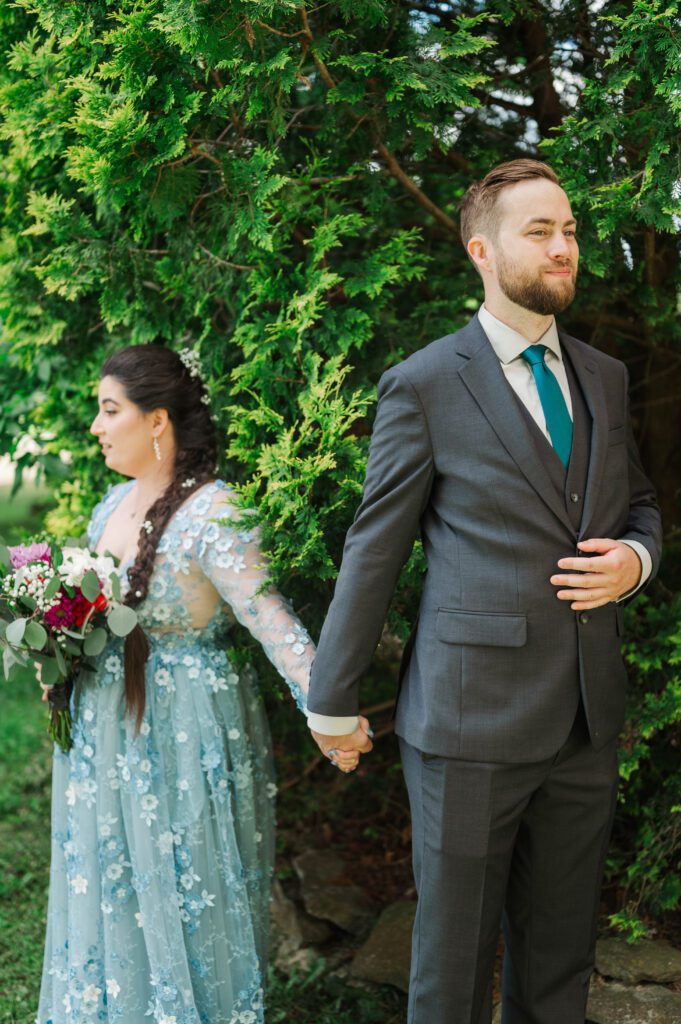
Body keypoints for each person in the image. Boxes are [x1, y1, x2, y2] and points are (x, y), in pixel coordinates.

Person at [305, 159, 663, 1024]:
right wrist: (330, 699)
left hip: (584, 720)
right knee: (452, 972)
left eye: (569, 230)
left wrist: (635, 561)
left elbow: (640, 503)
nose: (563, 247)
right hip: (468, 727)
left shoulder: (603, 379)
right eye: (538, 232)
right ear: (481, 249)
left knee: (558, 966)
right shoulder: (425, 384)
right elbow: (375, 548)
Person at [37, 345, 360, 1024]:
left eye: (109, 410)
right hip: (102, 733)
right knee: (111, 884)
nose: (96, 426)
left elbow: (274, 624)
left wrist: (326, 712)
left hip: (180, 734)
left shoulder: (215, 514)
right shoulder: (108, 507)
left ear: (157, 421)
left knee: (184, 890)